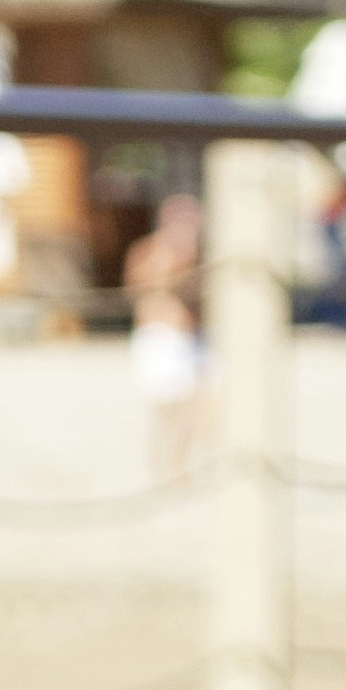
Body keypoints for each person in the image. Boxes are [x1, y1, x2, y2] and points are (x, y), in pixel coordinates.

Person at [123, 188, 205, 482]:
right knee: (162, 409)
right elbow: (138, 290)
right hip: (159, 339)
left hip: (187, 339)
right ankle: (159, 467)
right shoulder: (150, 251)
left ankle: (178, 464)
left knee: (194, 407)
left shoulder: (197, 255)